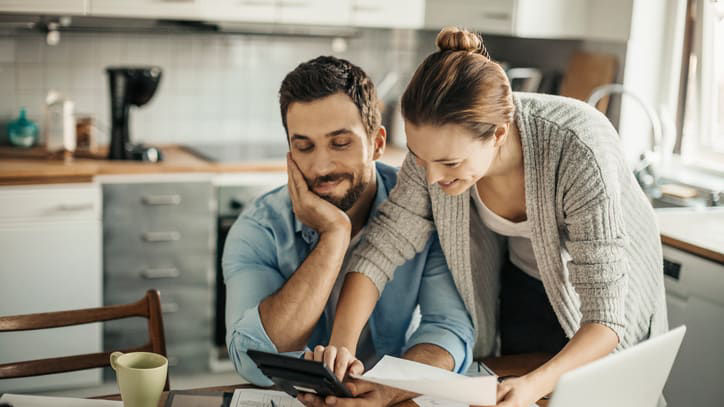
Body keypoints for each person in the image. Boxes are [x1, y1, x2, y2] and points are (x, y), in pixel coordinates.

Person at [321, 27, 668, 407]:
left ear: (499, 134)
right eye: (421, 158)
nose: (433, 177)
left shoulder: (577, 146)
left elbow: (606, 318)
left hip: (606, 305)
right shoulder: (436, 152)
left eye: (450, 163)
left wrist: (534, 386)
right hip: (523, 285)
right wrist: (341, 348)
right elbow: (381, 249)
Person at [222, 55, 474, 407]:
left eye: (340, 143)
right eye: (304, 146)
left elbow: (448, 330)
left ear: (378, 143)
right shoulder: (259, 228)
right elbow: (251, 358)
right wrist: (334, 237)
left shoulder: (424, 211)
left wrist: (388, 390)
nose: (322, 166)